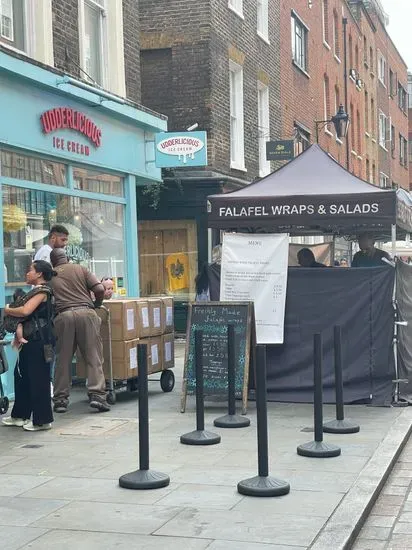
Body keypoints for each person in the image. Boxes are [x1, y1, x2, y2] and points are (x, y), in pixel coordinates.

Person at [50, 248, 110, 413]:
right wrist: (96, 304)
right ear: (67, 258)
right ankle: (97, 395)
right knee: (93, 356)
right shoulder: (80, 268)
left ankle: (60, 400)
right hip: (86, 313)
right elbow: (99, 289)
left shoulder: (50, 275)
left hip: (64, 316)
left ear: (52, 262)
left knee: (63, 359)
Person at [1, 261, 55, 431]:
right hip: (29, 337)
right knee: (22, 376)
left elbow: (25, 311)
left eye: (30, 270)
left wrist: (7, 309)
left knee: (38, 379)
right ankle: (20, 415)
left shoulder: (43, 291)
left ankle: (42, 420)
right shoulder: (33, 291)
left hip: (39, 339)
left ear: (39, 274)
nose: (27, 273)